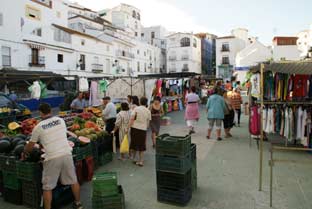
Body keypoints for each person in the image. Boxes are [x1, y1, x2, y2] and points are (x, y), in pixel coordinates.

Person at [24, 103, 83, 209]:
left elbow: (31, 145)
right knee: (73, 180)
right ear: (50, 110)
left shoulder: (38, 127)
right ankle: (78, 204)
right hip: (66, 154)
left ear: (40, 112)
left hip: (52, 157)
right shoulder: (61, 121)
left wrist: (25, 151)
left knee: (47, 187)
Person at [128, 97, 151, 167]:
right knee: (141, 145)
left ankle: (134, 159)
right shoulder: (148, 111)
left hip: (134, 128)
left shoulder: (136, 109)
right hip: (143, 129)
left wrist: (128, 127)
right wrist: (145, 127)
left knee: (134, 144)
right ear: (146, 103)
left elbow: (132, 119)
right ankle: (141, 161)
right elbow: (148, 122)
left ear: (140, 102)